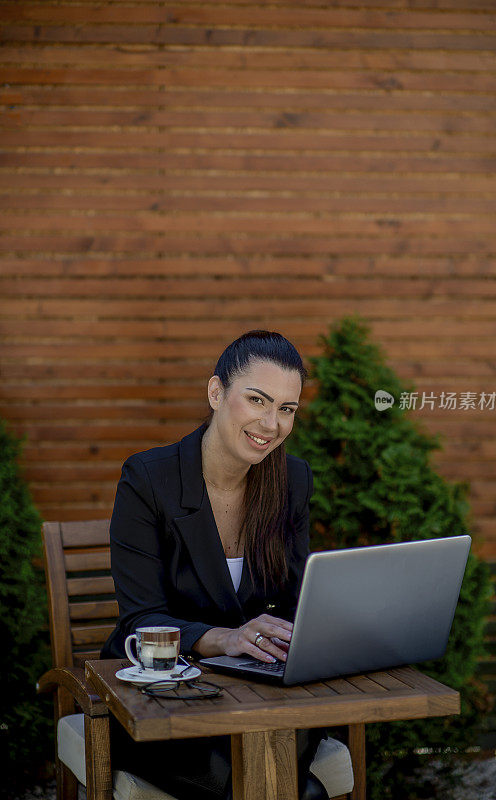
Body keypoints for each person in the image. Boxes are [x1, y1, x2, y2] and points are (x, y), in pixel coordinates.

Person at [101, 330, 328, 800]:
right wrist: (226, 638)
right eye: (257, 400)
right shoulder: (148, 479)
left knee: (274, 765)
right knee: (285, 788)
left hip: (260, 698)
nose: (272, 423)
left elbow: (296, 601)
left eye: (287, 409)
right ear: (216, 393)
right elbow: (141, 618)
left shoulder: (292, 480)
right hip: (166, 698)